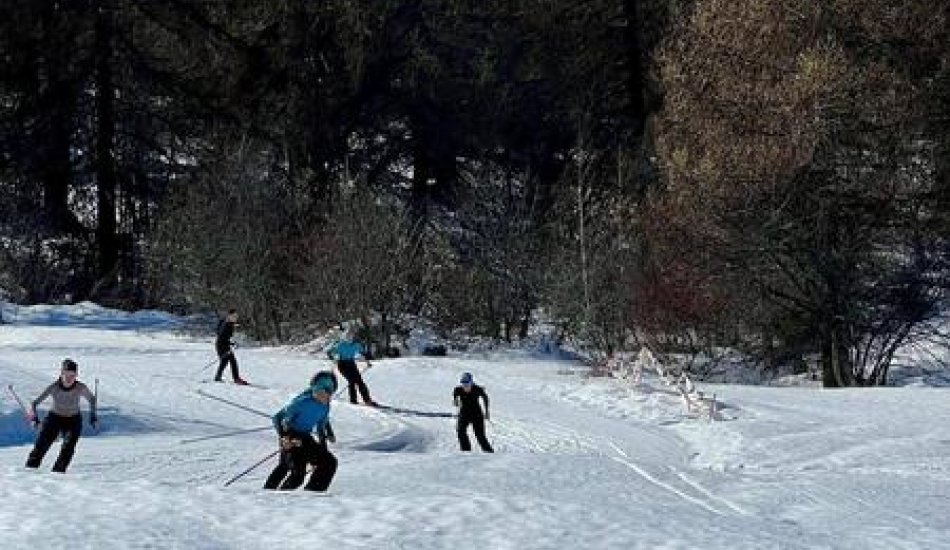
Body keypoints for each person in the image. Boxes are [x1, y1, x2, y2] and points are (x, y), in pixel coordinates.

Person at [264, 371, 339, 492]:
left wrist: (323, 450)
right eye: (320, 392)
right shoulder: (302, 402)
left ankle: (313, 492)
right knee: (296, 473)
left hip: (305, 437)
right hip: (291, 434)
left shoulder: (325, 406)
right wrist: (284, 437)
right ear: (315, 389)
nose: (324, 397)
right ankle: (274, 496)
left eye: (328, 393)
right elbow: (277, 418)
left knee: (329, 462)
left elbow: (321, 427)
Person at [25, 359, 98, 472]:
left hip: (73, 420)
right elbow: (34, 403)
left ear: (76, 375)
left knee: (68, 448)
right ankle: (29, 471)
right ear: (61, 373)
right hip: (54, 418)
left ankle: (57, 474)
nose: (69, 378)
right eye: (66, 375)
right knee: (41, 445)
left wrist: (93, 417)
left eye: (72, 375)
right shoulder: (54, 387)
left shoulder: (80, 387)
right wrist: (34, 418)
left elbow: (92, 400)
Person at [327, 326, 376, 406]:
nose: (349, 339)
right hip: (342, 365)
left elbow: (362, 353)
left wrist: (367, 362)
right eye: (348, 337)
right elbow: (330, 352)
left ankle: (367, 400)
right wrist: (332, 358)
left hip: (351, 364)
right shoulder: (341, 345)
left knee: (360, 382)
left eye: (351, 337)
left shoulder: (356, 345)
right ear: (345, 338)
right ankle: (353, 400)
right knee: (352, 380)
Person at [453, 372, 493, 453]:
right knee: (460, 431)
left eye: (467, 383)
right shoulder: (458, 390)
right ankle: (466, 451)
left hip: (477, 414)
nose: (465, 386)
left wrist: (486, 411)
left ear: (471, 382)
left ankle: (489, 453)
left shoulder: (477, 389)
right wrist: (455, 401)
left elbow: (485, 398)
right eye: (463, 383)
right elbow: (455, 395)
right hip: (464, 413)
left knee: (480, 436)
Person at [215, 309, 247, 385]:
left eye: (236, 316)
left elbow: (220, 332)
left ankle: (218, 377)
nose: (236, 318)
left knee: (224, 361)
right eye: (234, 316)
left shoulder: (227, 323)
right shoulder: (227, 325)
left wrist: (231, 343)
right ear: (229, 316)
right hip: (222, 345)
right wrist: (230, 344)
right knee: (232, 361)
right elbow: (221, 336)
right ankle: (236, 379)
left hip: (222, 344)